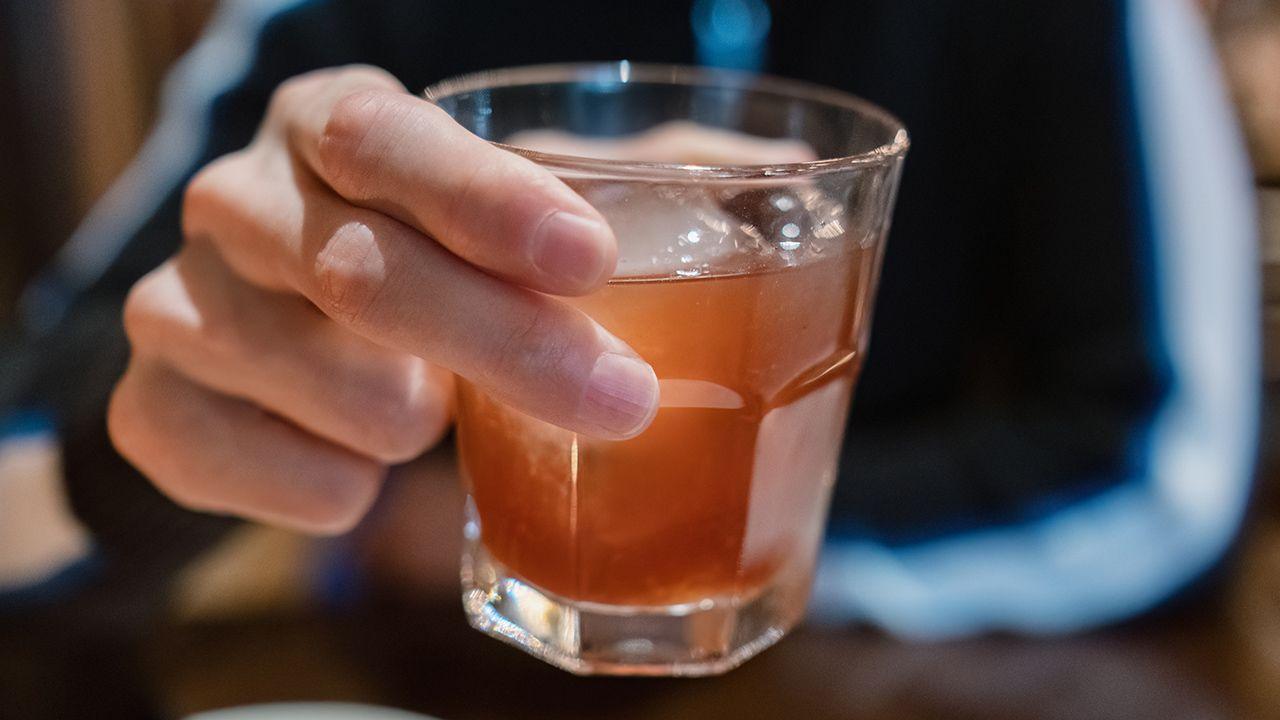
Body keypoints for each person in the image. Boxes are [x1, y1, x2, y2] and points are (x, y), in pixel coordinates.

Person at [0, 0, 1258, 641]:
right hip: (457, 676)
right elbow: (23, 443)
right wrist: (146, 438)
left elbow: (1166, 465)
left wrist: (752, 547)